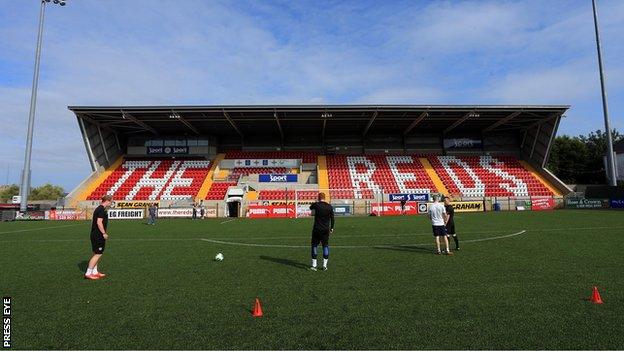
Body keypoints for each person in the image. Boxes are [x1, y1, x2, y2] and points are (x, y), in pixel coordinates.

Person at [85, 195, 112, 280]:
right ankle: (88, 273)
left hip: (95, 234)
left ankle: (95, 271)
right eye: (111, 201)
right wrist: (104, 233)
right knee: (98, 254)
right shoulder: (101, 209)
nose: (111, 203)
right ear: (107, 201)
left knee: (96, 253)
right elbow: (99, 222)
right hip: (98, 235)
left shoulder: (99, 208)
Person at [309, 193, 334, 271]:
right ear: (325, 198)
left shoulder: (316, 205)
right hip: (325, 229)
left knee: (314, 246)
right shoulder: (329, 206)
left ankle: (314, 265)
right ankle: (324, 266)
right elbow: (333, 219)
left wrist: (315, 202)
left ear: (318, 198)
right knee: (325, 246)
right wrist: (332, 228)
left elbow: (310, 207)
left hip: (317, 229)